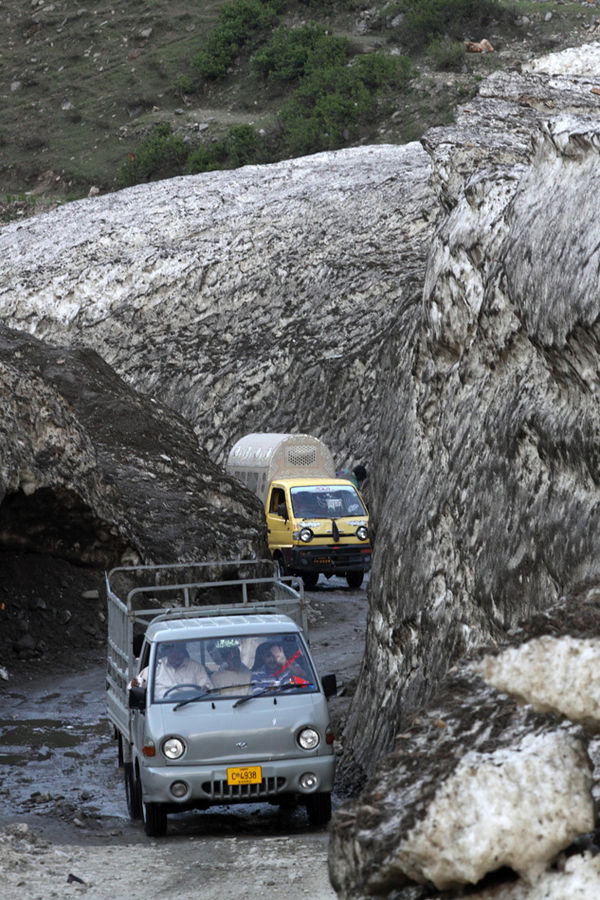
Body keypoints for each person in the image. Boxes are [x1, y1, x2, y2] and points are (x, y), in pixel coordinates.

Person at [131, 642, 212, 699]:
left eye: (179, 651)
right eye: (173, 651)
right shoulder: (155, 668)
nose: (176, 655)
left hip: (193, 707)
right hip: (161, 710)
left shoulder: (196, 668)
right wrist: (135, 685)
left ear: (184, 651)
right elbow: (134, 688)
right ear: (167, 652)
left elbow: (209, 689)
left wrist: (205, 690)